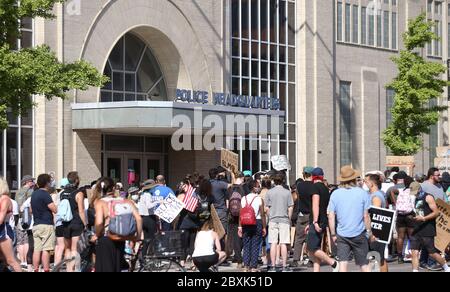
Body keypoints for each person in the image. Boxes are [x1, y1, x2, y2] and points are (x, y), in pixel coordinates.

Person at [327, 165, 373, 272]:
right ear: (354, 179)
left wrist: (333, 234)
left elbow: (331, 216)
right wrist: (369, 231)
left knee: (343, 263)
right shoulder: (362, 193)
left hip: (342, 233)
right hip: (359, 233)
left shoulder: (335, 194)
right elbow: (366, 216)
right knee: (364, 264)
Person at [94, 177, 142, 272]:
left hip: (106, 239)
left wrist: (96, 235)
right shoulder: (126, 201)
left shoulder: (100, 203)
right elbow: (139, 218)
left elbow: (99, 222)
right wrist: (138, 237)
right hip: (120, 239)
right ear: (113, 188)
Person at [410, 186, 450, 273]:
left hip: (427, 228)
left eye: (416, 192)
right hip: (417, 228)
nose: (415, 194)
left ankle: (446, 267)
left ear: (419, 189)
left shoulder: (428, 197)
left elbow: (436, 212)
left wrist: (424, 218)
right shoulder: (416, 198)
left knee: (432, 253)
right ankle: (415, 270)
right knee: (414, 252)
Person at [306, 168, 339, 272]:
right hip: (323, 220)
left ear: (313, 176)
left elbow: (316, 205)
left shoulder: (314, 187)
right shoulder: (325, 188)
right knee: (316, 247)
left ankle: (333, 263)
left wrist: (314, 221)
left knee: (312, 248)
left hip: (318, 221)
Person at [265, 173, 294, 272]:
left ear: (274, 181)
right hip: (284, 219)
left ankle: (272, 266)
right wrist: (289, 219)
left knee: (273, 242)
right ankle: (284, 266)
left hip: (273, 219)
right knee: (283, 243)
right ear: (283, 180)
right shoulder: (287, 192)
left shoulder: (269, 192)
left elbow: (266, 208)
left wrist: (270, 216)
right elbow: (290, 207)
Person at [60, 172, 87, 272]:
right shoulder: (78, 193)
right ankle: (76, 269)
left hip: (65, 223)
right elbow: (81, 211)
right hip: (76, 222)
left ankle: (68, 269)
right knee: (75, 249)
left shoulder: (63, 193)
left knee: (67, 249)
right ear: (76, 180)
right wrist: (85, 224)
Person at [419, 167, 446, 270]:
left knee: (433, 241)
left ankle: (424, 261)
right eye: (437, 175)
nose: (440, 177)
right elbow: (418, 201)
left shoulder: (439, 186)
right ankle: (429, 262)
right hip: (428, 218)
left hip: (439, 218)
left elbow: (443, 201)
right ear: (431, 176)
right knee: (430, 242)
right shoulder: (423, 186)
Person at [238, 179, 266, 272]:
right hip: (256, 222)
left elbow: (240, 213)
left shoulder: (243, 198)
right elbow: (262, 214)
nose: (259, 188)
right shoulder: (259, 199)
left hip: (245, 223)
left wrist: (239, 226)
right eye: (258, 186)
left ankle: (246, 266)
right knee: (255, 244)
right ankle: (253, 267)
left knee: (246, 245)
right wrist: (264, 227)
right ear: (253, 188)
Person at [31, 174, 57, 272]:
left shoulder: (34, 194)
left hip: (36, 225)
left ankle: (36, 269)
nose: (50, 183)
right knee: (46, 249)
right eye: (50, 182)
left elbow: (30, 210)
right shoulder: (45, 194)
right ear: (46, 183)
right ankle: (46, 270)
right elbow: (54, 209)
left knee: (37, 249)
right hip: (46, 224)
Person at [365, 174, 389, 272]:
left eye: (366, 181)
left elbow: (376, 215)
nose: (364, 183)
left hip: (377, 232)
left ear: (372, 183)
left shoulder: (376, 197)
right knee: (374, 258)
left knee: (378, 258)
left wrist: (373, 233)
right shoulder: (373, 194)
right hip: (375, 231)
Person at [292, 167, 315, 266]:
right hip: (312, 214)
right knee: (311, 238)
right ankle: (311, 260)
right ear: (312, 175)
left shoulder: (299, 186)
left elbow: (297, 198)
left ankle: (295, 260)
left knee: (299, 238)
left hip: (301, 214)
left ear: (304, 174)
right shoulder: (314, 186)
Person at [0, 178, 22, 272]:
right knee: (3, 260)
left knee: (10, 260)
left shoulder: (5, 199)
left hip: (3, 231)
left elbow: (0, 219)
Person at [394, 176, 416, 265]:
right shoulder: (413, 191)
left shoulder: (401, 190)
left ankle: (400, 257)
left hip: (400, 215)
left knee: (400, 237)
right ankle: (414, 256)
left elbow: (392, 191)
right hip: (410, 215)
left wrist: (395, 203)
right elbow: (414, 204)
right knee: (412, 237)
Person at [209, 167, 235, 241]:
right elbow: (232, 185)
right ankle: (222, 248)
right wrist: (232, 174)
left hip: (211, 211)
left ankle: (215, 247)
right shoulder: (220, 184)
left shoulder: (207, 184)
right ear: (217, 175)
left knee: (212, 231)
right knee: (223, 231)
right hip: (221, 210)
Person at [15, 175, 35, 267]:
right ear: (28, 182)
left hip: (19, 218)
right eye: (32, 181)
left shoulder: (18, 191)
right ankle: (27, 261)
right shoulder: (30, 191)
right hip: (28, 218)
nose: (33, 183)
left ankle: (22, 261)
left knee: (20, 240)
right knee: (27, 240)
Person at [226, 172, 245, 267]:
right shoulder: (243, 189)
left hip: (232, 215)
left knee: (235, 236)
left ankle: (238, 260)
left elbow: (227, 204)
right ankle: (240, 257)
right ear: (241, 178)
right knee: (242, 235)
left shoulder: (229, 189)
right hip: (242, 215)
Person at [137, 179, 157, 256]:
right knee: (152, 239)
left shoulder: (142, 194)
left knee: (146, 239)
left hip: (143, 218)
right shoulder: (148, 195)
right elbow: (149, 206)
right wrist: (158, 202)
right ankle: (150, 256)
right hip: (149, 218)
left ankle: (143, 257)